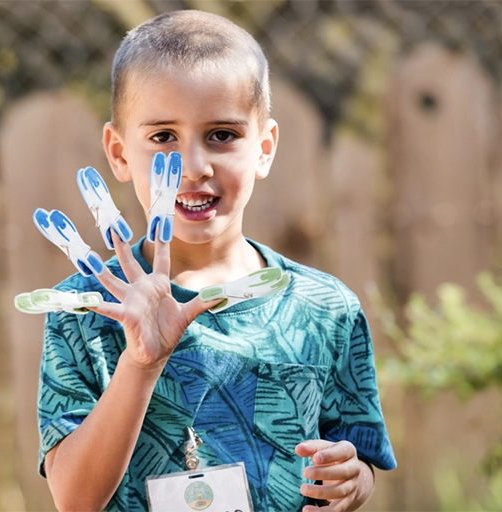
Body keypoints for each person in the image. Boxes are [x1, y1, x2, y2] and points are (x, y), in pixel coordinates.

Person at [37, 10, 396, 511]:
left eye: (222, 135)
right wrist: (141, 365)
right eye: (163, 137)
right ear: (119, 153)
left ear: (264, 148)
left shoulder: (327, 308)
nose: (194, 167)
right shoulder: (86, 310)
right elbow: (74, 499)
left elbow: (360, 463)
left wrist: (351, 481)